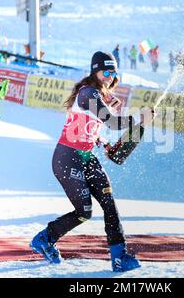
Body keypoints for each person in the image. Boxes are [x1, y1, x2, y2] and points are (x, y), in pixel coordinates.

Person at [30, 51, 154, 272]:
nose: (110, 76)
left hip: (86, 156)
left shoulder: (98, 96)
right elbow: (114, 123)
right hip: (67, 157)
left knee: (109, 203)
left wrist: (103, 143)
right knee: (84, 211)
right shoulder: (88, 93)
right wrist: (139, 118)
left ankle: (119, 257)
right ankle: (45, 239)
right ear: (95, 71)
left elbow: (90, 126)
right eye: (106, 71)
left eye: (113, 72)